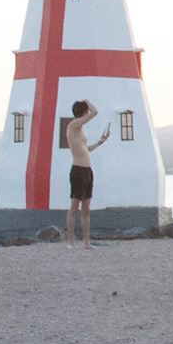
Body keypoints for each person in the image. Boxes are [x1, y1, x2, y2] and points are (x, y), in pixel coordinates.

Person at [63, 99, 112, 248]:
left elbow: (85, 149)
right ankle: (71, 241)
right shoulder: (73, 125)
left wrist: (100, 142)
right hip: (78, 170)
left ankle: (86, 242)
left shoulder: (80, 130)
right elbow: (95, 112)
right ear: (83, 112)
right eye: (86, 111)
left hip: (87, 170)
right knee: (74, 207)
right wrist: (87, 101)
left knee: (86, 209)